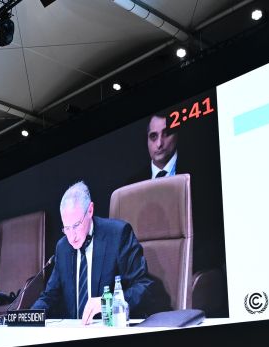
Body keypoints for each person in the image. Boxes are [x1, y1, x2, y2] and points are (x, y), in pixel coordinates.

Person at [31, 181, 163, 323]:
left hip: (111, 327)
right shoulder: (62, 247)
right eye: (66, 228)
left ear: (90, 210)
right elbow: (49, 296)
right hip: (76, 331)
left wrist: (108, 302)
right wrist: (27, 318)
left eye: (76, 225)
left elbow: (144, 287)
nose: (71, 237)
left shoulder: (118, 235)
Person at [146, 112, 178, 178]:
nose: (159, 144)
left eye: (166, 133)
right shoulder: (132, 182)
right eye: (153, 136)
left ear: (176, 134)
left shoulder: (197, 167)